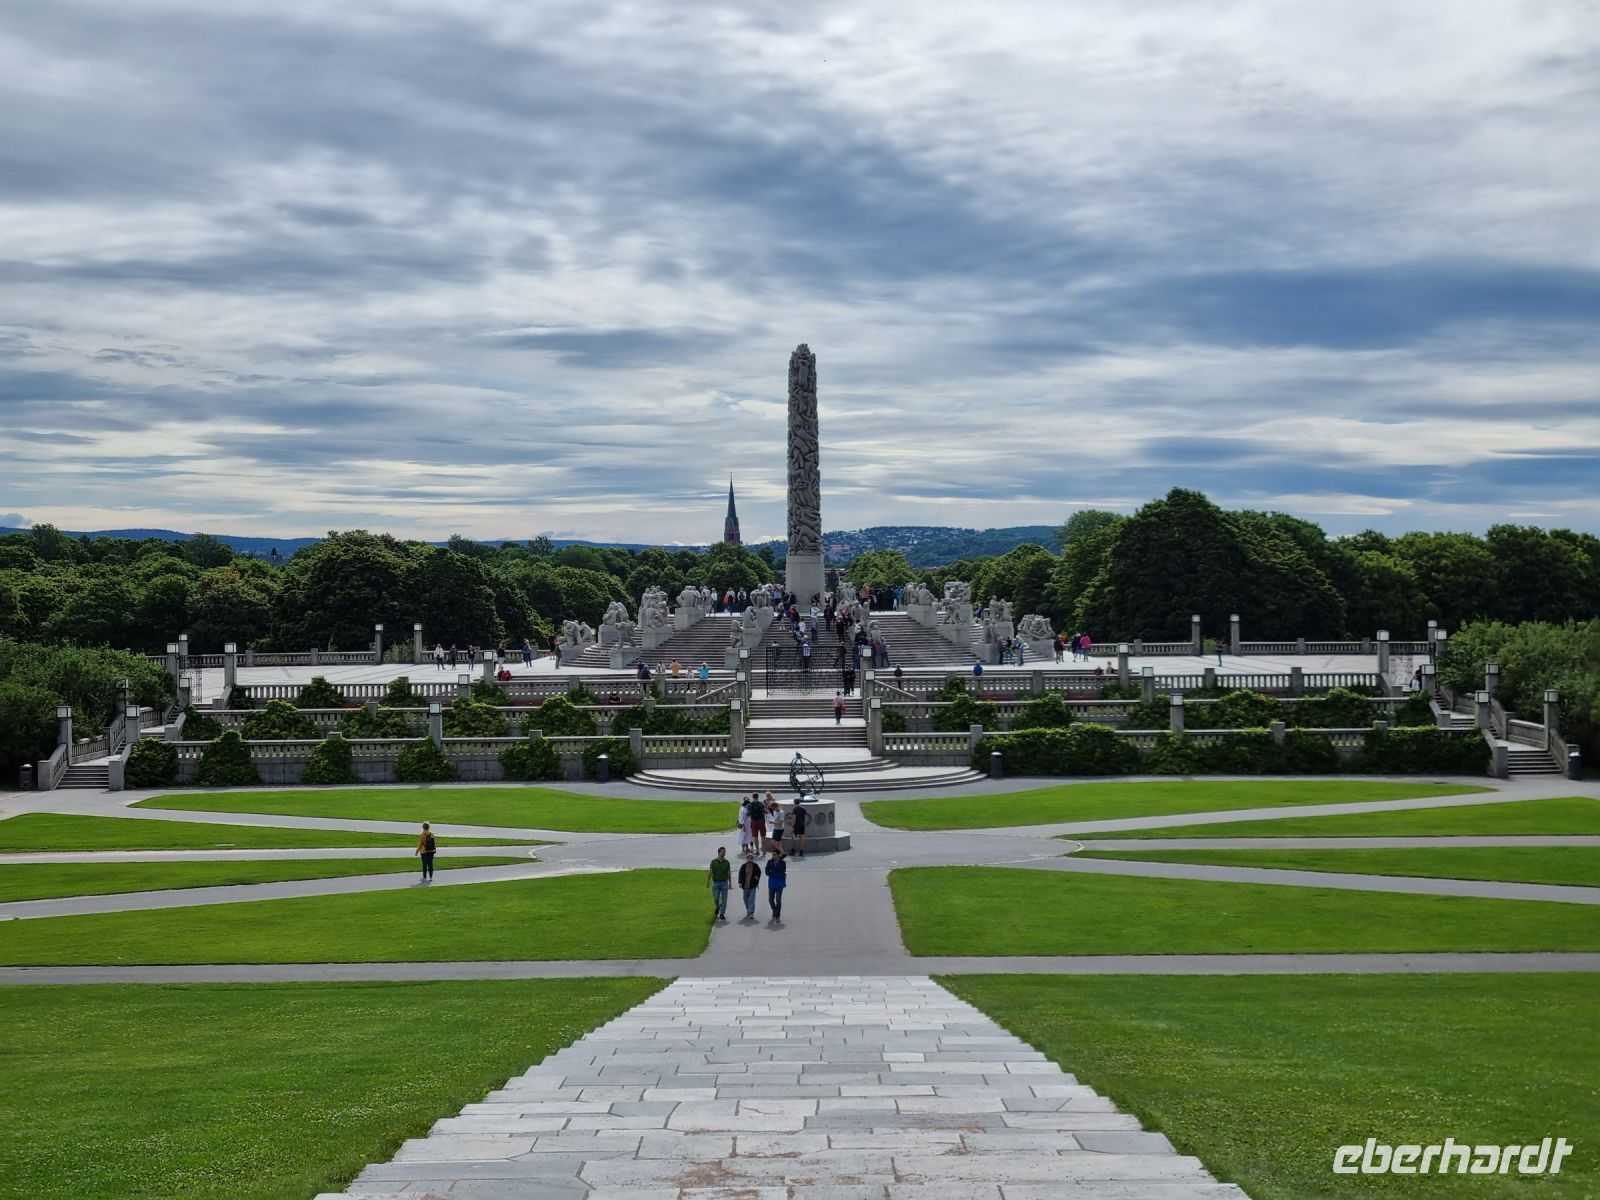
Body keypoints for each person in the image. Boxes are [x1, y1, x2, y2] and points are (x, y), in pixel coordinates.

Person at [707, 846, 731, 922]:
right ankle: (718, 906)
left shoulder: (727, 862)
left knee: (724, 899)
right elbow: (710, 872)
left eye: (725, 852)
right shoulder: (713, 862)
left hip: (724, 882)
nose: (724, 853)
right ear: (719, 852)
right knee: (716, 898)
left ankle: (722, 914)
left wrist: (730, 883)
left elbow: (728, 873)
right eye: (722, 852)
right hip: (716, 883)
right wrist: (708, 881)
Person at [737, 851, 762, 919]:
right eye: (748, 858)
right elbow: (740, 874)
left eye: (751, 859)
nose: (750, 860)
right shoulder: (743, 866)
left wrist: (757, 877)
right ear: (747, 859)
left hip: (753, 885)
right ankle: (749, 910)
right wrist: (740, 882)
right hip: (745, 885)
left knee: (751, 899)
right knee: (745, 899)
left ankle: (751, 912)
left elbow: (759, 872)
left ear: (753, 859)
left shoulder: (755, 866)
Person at [765, 847, 787, 921]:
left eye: (774, 855)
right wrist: (773, 873)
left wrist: (772, 872)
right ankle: (774, 911)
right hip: (771, 883)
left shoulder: (782, 863)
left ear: (778, 855)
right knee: (770, 900)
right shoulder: (770, 862)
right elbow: (766, 872)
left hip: (779, 883)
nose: (773, 856)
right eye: (772, 855)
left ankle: (777, 915)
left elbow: (782, 872)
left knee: (778, 900)